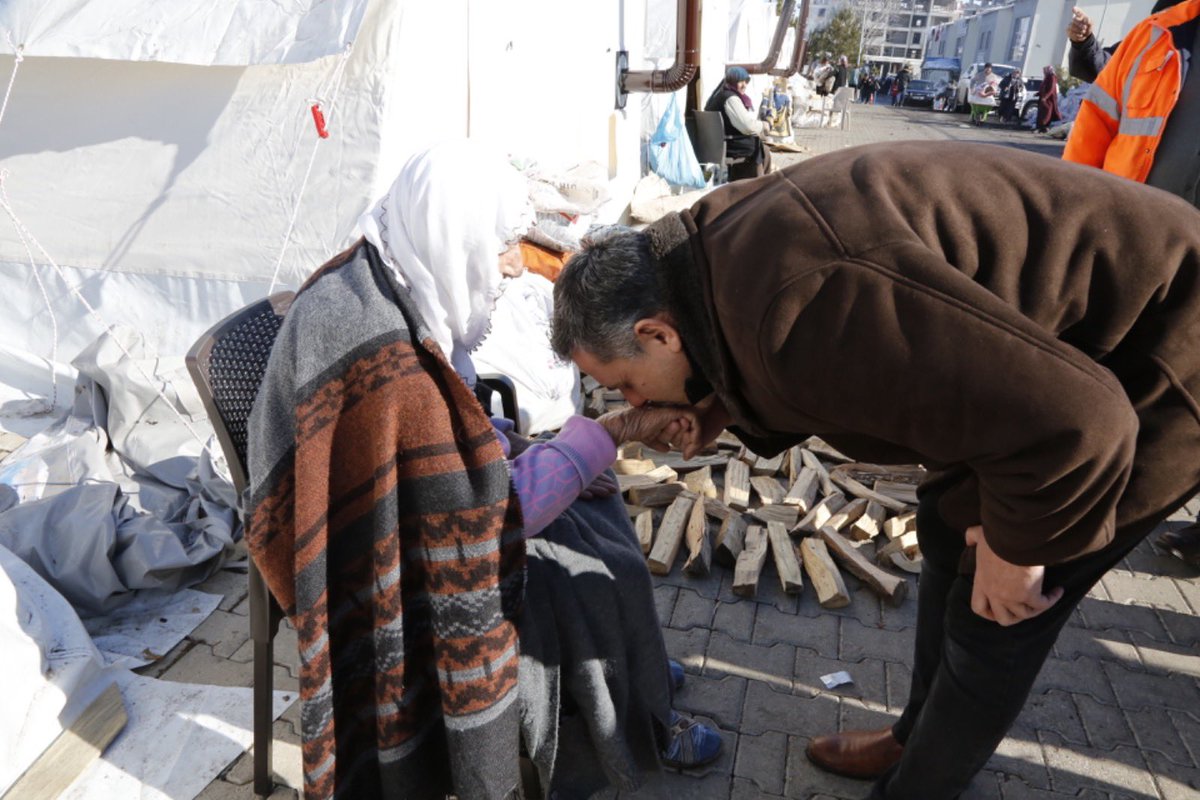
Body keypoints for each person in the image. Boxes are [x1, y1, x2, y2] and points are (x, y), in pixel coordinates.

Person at [549, 140, 1200, 800]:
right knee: (948, 524)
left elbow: (1085, 419)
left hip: (1162, 348)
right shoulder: (700, 259)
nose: (633, 404)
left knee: (999, 612)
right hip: (1059, 358)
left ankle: (917, 787)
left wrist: (1020, 547)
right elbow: (782, 363)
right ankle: (915, 735)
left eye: (627, 385)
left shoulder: (810, 298)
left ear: (660, 335)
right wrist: (714, 405)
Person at [245, 142, 722, 800]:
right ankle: (617, 713)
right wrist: (606, 435)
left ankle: (624, 671)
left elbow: (454, 443)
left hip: (400, 509)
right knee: (574, 571)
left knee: (597, 517)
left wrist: (546, 448)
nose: (508, 264)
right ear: (451, 231)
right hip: (362, 553)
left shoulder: (389, 267)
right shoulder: (386, 353)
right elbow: (493, 518)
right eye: (500, 243)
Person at [1064, 0, 1200, 567]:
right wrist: (1066, 240)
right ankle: (1080, 504)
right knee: (1107, 382)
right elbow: (1090, 138)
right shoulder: (1156, 37)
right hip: (1134, 258)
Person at [704, 65, 772, 179]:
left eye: (745, 81)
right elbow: (746, 126)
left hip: (717, 143)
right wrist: (763, 126)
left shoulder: (718, 95)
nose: (744, 85)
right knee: (761, 147)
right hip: (728, 145)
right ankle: (758, 184)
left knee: (758, 144)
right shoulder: (731, 98)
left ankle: (756, 181)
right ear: (732, 81)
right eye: (740, 81)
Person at [1036, 65, 1062, 132]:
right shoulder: (1047, 77)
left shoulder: (1052, 77)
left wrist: (1045, 97)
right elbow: (1044, 87)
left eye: (1044, 70)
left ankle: (1044, 127)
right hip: (1044, 98)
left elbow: (1051, 89)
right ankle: (1041, 127)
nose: (1043, 72)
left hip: (1049, 99)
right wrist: (1039, 93)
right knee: (1042, 113)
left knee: (1047, 113)